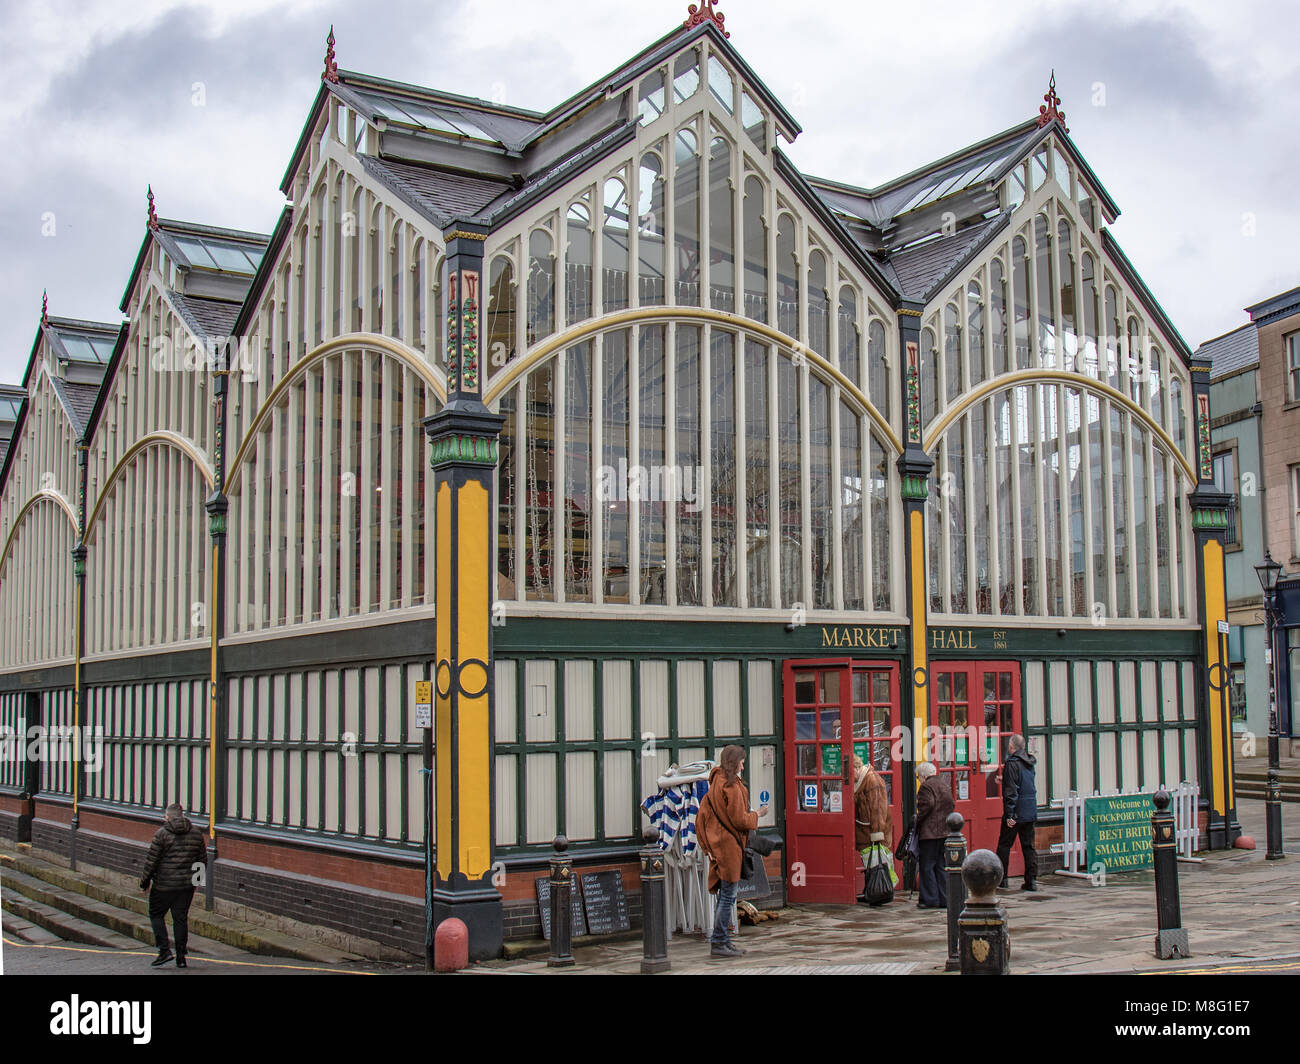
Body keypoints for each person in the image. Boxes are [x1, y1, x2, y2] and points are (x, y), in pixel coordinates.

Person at [696, 745, 767, 959]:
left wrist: (708, 847)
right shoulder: (732, 787)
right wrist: (757, 814)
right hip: (729, 848)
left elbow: (702, 817)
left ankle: (723, 941)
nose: (743, 766)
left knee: (725, 896)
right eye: (742, 762)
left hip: (719, 846)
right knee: (728, 897)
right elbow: (739, 819)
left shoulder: (715, 783)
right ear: (734, 762)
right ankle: (719, 941)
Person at [139, 802, 208, 967]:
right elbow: (202, 860)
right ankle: (181, 957)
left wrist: (144, 883)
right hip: (185, 887)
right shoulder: (196, 834)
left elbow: (151, 862)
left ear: (167, 817)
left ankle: (164, 951)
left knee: (156, 915)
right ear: (183, 815)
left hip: (163, 885)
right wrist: (197, 882)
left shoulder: (161, 834)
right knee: (180, 919)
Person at [996, 734, 1039, 891]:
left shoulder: (1012, 763)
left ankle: (1002, 878)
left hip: (1016, 812)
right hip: (1030, 809)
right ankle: (1031, 881)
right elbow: (1024, 784)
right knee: (1029, 846)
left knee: (1004, 845)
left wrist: (1009, 814)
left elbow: (1011, 792)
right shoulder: (1029, 762)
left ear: (1011, 746)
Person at [853, 754, 894, 901]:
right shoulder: (862, 781)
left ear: (856, 768)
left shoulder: (871, 780)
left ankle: (879, 891)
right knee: (870, 862)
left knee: (876, 863)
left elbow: (878, 808)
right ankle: (871, 890)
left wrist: (877, 832)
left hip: (873, 831)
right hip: (865, 831)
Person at [914, 762, 954, 909]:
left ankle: (929, 899)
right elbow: (952, 804)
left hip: (929, 833)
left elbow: (928, 804)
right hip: (944, 831)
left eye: (918, 777)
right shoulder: (943, 784)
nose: (919, 780)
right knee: (940, 865)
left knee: (927, 866)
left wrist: (919, 819)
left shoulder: (926, 787)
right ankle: (944, 898)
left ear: (924, 775)